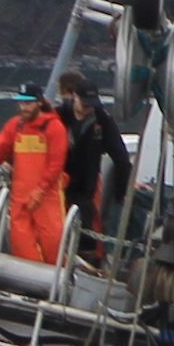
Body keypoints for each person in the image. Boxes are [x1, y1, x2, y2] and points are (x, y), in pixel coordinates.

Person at [0, 89, 72, 265]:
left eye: (28, 102)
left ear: (40, 102)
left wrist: (41, 190)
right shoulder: (15, 125)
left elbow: (56, 165)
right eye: (21, 102)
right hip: (20, 197)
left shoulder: (54, 127)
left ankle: (55, 282)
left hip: (47, 197)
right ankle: (33, 285)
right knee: (22, 247)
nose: (24, 107)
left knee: (53, 245)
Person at [53, 71, 130, 261]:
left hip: (86, 187)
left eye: (91, 105)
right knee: (55, 227)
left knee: (88, 234)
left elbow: (121, 159)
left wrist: (121, 195)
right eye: (84, 104)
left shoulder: (102, 121)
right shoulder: (58, 115)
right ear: (74, 98)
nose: (87, 108)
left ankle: (89, 261)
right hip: (57, 182)